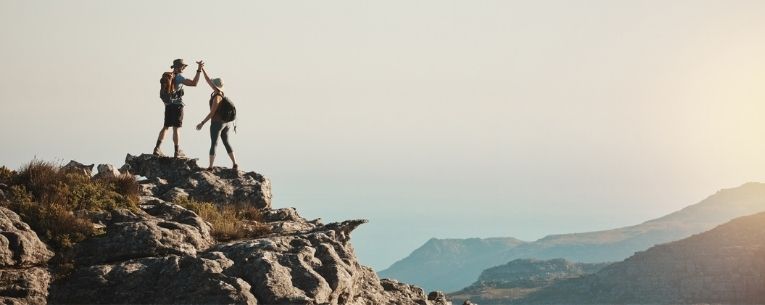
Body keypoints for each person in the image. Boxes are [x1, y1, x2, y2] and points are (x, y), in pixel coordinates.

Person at [153, 59, 203, 158]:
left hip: (168, 105)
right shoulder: (179, 77)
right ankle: (177, 151)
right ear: (178, 67)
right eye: (183, 66)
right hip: (177, 106)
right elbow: (194, 83)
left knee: (166, 127)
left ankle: (157, 148)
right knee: (176, 129)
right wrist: (199, 70)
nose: (184, 68)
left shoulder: (168, 76)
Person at [196, 66, 238, 170]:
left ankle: (210, 167)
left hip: (217, 124)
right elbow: (207, 80)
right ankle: (235, 164)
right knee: (226, 142)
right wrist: (202, 68)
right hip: (226, 123)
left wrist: (202, 123)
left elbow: (212, 112)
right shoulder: (222, 93)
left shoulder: (217, 97)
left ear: (215, 86)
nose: (211, 84)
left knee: (214, 143)